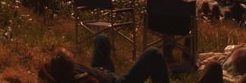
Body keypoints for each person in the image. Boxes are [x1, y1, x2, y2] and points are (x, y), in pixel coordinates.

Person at [38, 36, 169, 83]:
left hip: (101, 70)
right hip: (115, 81)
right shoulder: (83, 81)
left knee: (101, 38)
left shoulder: (53, 71)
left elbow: (43, 70)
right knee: (154, 53)